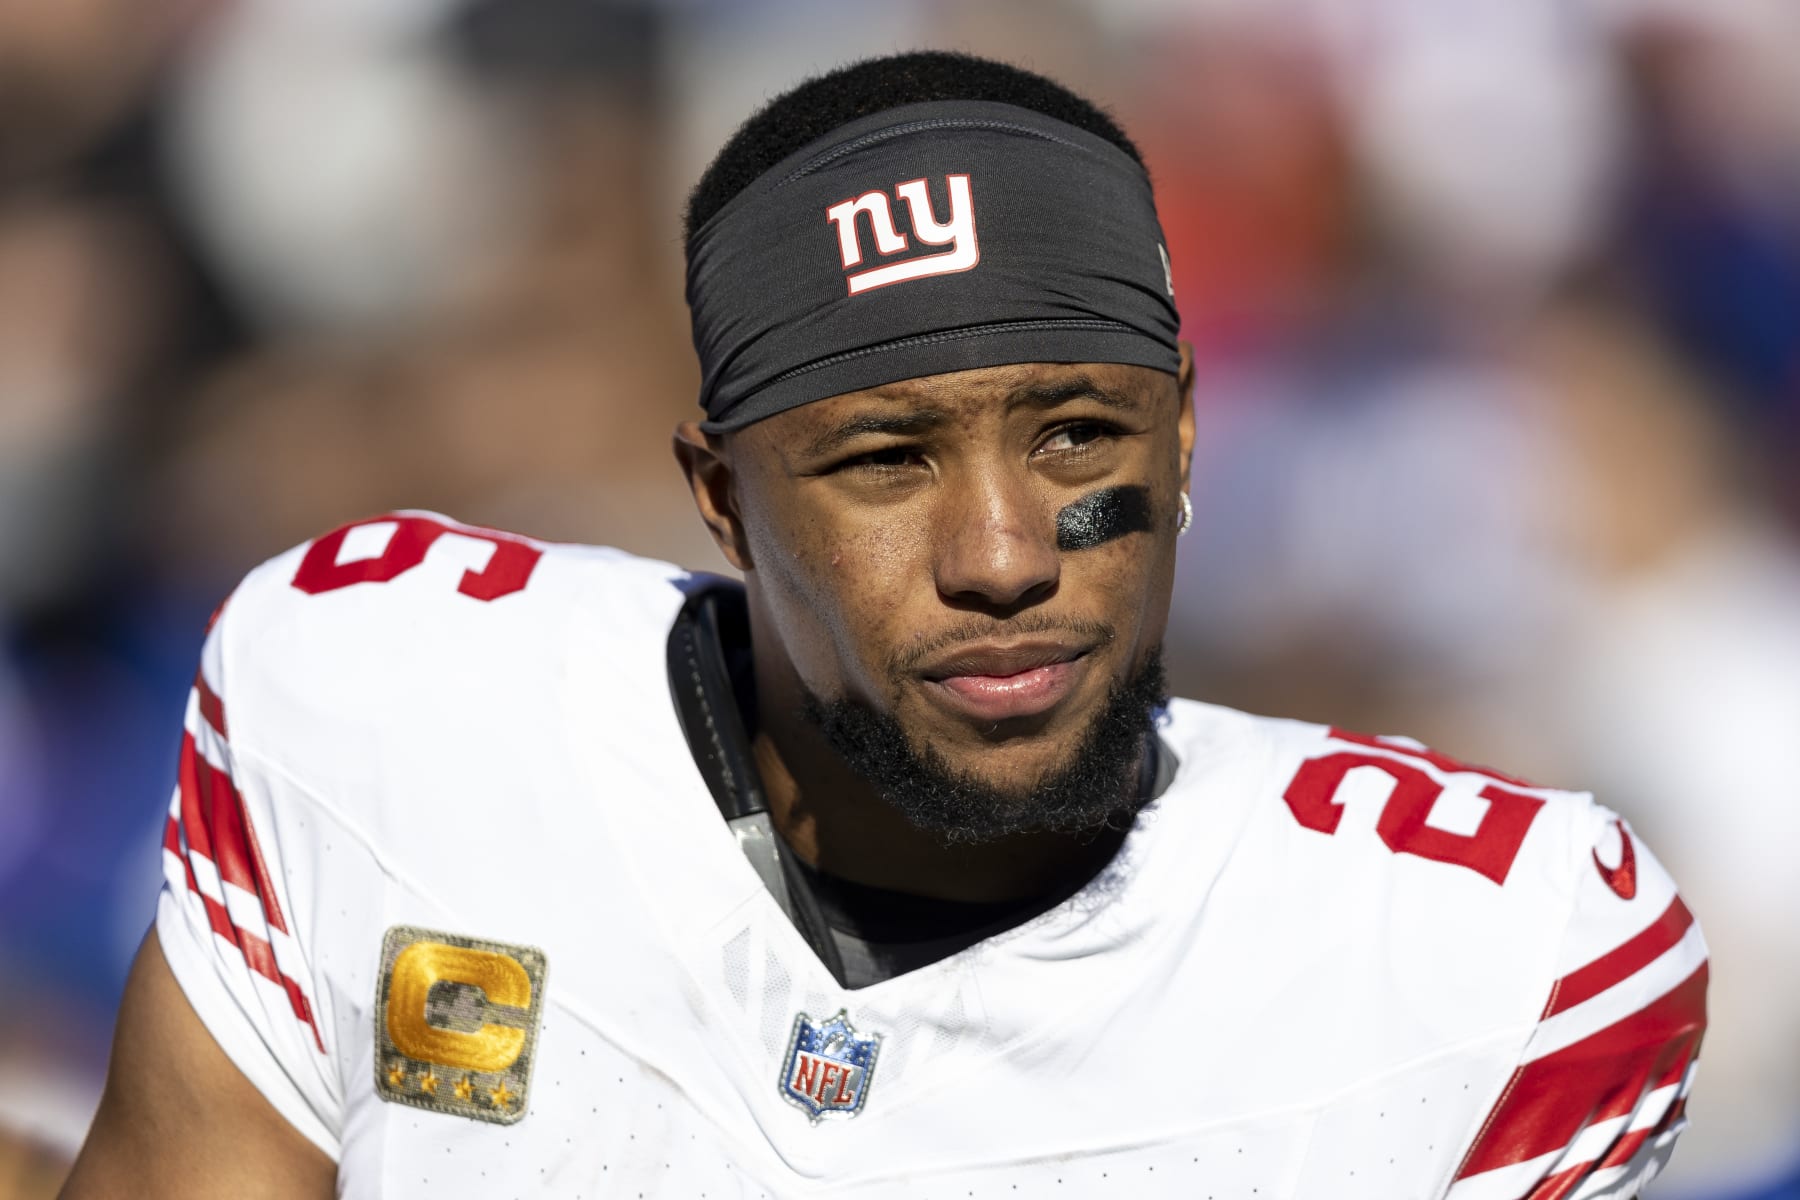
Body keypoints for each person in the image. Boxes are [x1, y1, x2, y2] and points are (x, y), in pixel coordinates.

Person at [62, 51, 1705, 1199]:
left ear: (1188, 438)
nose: (1002, 553)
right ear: (719, 495)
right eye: (883, 460)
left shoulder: (1492, 969)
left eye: (1078, 437)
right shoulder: (391, 705)